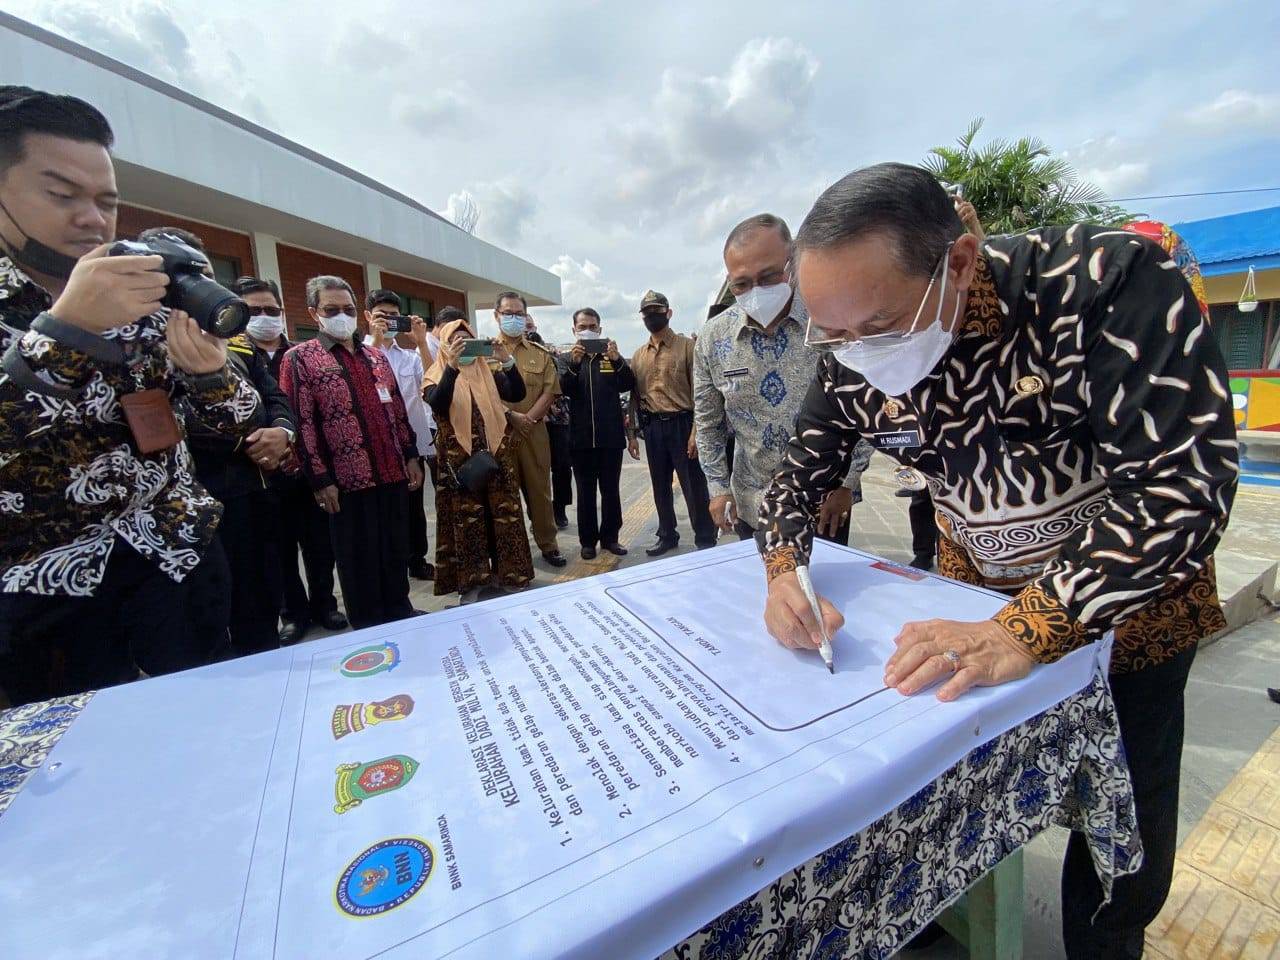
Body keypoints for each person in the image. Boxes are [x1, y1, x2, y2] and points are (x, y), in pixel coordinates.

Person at [756, 162, 1237, 959]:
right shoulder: (851, 347)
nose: (853, 356)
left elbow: (1181, 487)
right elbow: (797, 476)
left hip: (1127, 609)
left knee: (1128, 808)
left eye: (875, 329)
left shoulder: (1106, 286)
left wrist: (1029, 629)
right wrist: (783, 570)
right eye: (831, 335)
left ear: (960, 261)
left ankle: (1107, 939)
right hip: (972, 598)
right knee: (964, 792)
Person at [0, 86, 262, 704]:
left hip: (175, 557)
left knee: (205, 736)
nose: (92, 218)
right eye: (61, 195)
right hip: (46, 595)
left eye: (106, 201)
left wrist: (210, 375)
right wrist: (67, 330)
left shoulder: (143, 296)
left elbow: (237, 421)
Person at [139, 228, 297, 658]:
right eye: (183, 279)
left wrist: (280, 432)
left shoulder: (237, 346)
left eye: (204, 276)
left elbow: (274, 397)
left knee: (260, 603)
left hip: (255, 494)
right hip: (195, 506)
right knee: (203, 629)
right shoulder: (136, 348)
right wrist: (243, 437)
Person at [695, 214, 872, 545]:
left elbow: (864, 404)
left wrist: (849, 483)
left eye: (769, 276)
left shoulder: (832, 321)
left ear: (793, 260)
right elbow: (708, 424)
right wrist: (718, 489)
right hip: (752, 504)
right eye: (741, 284)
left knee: (825, 594)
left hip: (823, 502)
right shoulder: (712, 339)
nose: (756, 291)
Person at [278, 276, 424, 630]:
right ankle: (370, 626)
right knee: (358, 558)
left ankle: (400, 612)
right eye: (332, 310)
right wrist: (320, 479)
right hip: (346, 481)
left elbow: (398, 413)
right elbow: (303, 424)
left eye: (347, 309)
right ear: (315, 313)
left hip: (391, 472)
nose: (341, 316)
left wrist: (410, 456)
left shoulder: (375, 356)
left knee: (393, 550)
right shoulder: (300, 359)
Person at [235, 276, 347, 643]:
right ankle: (293, 614)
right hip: (263, 474)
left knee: (319, 545)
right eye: (254, 311)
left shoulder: (304, 354)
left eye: (271, 309)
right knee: (279, 550)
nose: (265, 317)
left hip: (308, 469)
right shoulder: (234, 358)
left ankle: (324, 605)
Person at [425, 317, 534, 601]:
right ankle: (472, 584)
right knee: (467, 520)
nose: (463, 347)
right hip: (459, 461)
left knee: (503, 514)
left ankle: (508, 575)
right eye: (456, 341)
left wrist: (506, 360)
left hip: (496, 455)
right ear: (446, 346)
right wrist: (452, 366)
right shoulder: (435, 373)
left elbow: (517, 393)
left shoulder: (488, 371)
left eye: (468, 340)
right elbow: (438, 403)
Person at [628, 290, 717, 555]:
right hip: (653, 427)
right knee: (660, 485)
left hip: (683, 424)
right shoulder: (638, 355)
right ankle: (667, 534)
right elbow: (634, 397)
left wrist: (696, 432)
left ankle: (705, 537)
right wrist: (632, 434)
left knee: (694, 486)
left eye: (657, 311)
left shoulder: (688, 347)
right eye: (647, 313)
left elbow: (702, 393)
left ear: (668, 313)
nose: (651, 316)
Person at [365, 288, 436, 581]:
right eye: (382, 316)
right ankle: (386, 566)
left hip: (410, 446)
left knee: (412, 509)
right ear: (368, 317)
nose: (389, 322)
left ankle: (416, 560)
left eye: (395, 316)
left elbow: (434, 383)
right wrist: (376, 342)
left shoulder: (410, 358)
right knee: (380, 512)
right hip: (374, 448)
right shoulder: (358, 353)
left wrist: (421, 343)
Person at [493, 291, 567, 568]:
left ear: (526, 317)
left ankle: (548, 545)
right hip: (499, 433)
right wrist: (511, 416)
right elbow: (482, 392)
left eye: (518, 314)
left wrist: (527, 420)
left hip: (534, 433)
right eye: (507, 313)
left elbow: (550, 391)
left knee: (540, 492)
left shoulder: (540, 354)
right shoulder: (485, 353)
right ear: (496, 316)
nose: (513, 318)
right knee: (503, 495)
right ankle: (511, 551)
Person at [560, 308, 635, 559]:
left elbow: (628, 383)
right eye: (582, 327)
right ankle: (588, 541)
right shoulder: (567, 359)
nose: (587, 330)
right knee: (585, 492)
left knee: (611, 490)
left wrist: (617, 359)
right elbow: (564, 389)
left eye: (592, 326)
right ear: (574, 330)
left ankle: (611, 538)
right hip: (581, 440)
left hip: (610, 438)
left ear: (600, 329)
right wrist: (574, 364)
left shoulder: (610, 358)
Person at [546, 347, 574, 530]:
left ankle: (560, 508)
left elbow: (563, 386)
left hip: (560, 422)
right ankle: (539, 514)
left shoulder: (553, 360)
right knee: (535, 474)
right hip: (534, 421)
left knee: (563, 468)